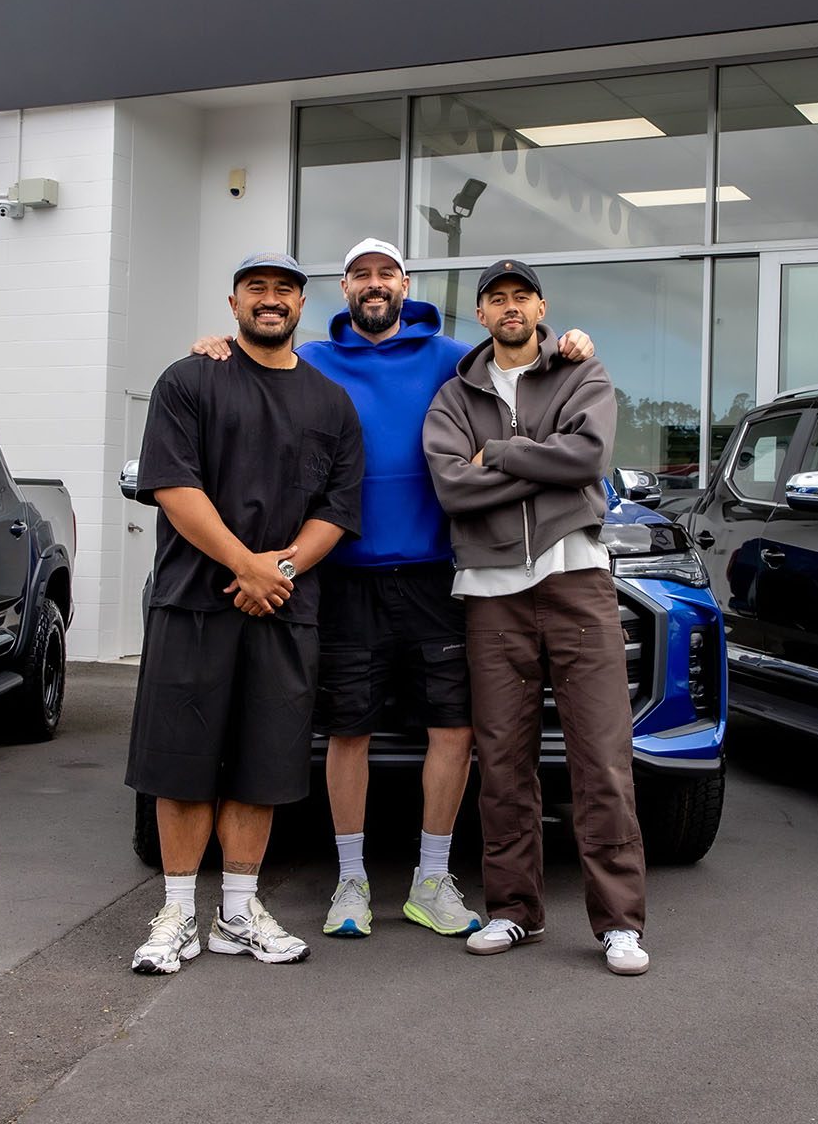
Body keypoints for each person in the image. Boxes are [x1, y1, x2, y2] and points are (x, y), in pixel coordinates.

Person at [191, 239, 592, 942]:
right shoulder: (311, 358)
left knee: (453, 729)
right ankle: (350, 880)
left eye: (386, 274)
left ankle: (431, 880)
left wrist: (570, 343)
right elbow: (254, 366)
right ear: (343, 289)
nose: (374, 285)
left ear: (405, 285)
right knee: (349, 730)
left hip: (439, 574)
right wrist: (214, 347)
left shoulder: (452, 357)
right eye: (360, 275)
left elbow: (522, 358)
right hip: (342, 576)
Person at [125, 252, 365, 975]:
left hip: (284, 609)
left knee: (263, 766)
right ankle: (177, 913)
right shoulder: (189, 380)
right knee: (182, 764)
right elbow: (175, 487)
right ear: (233, 302)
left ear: (302, 304)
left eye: (284, 289)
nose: (270, 299)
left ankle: (237, 913)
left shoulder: (330, 402)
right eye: (256, 288)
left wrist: (278, 571)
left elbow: (338, 509)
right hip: (192, 604)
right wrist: (245, 564)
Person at [422, 258, 651, 977]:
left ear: (541, 308)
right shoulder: (454, 397)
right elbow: (452, 487)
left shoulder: (582, 373)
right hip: (491, 593)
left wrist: (501, 454)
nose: (510, 307)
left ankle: (619, 924)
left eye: (521, 296)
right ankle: (514, 910)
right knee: (503, 762)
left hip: (575, 580)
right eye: (497, 299)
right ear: (482, 315)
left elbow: (587, 458)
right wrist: (542, 468)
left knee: (602, 759)